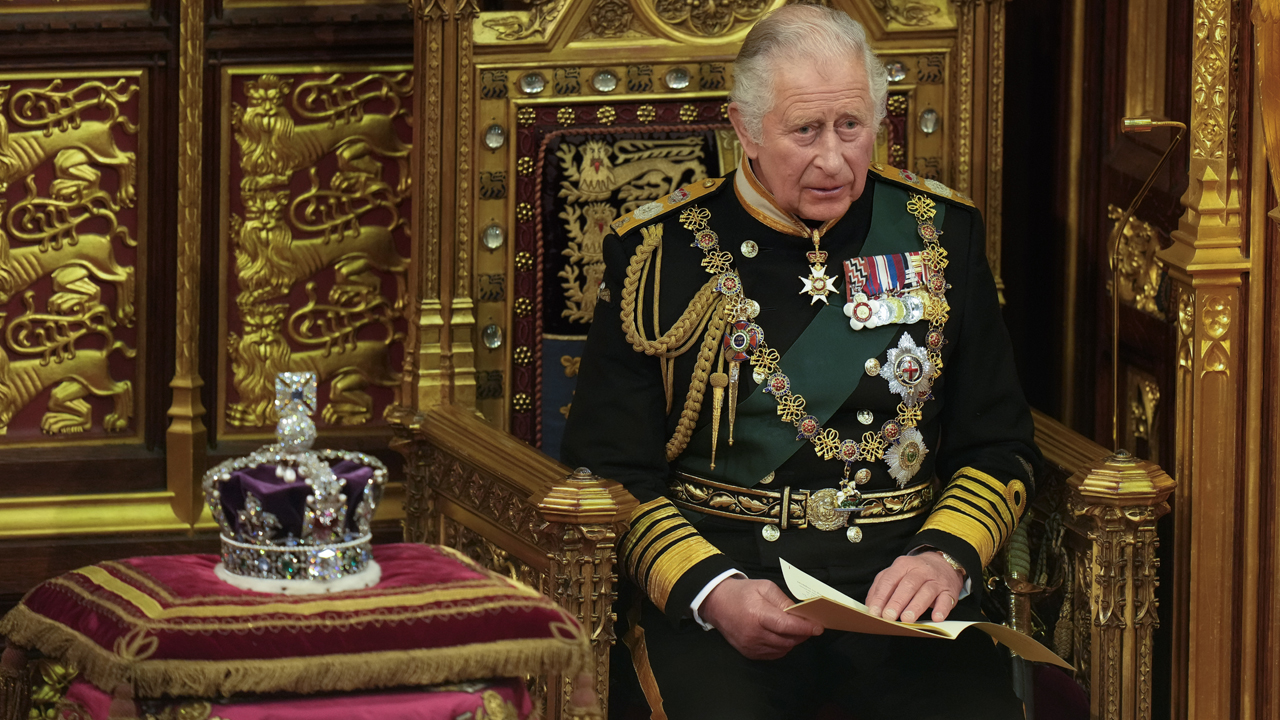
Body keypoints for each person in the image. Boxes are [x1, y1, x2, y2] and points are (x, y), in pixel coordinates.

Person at [562, 5, 1040, 719]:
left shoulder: (940, 235)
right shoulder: (658, 255)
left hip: (901, 599)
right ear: (745, 127)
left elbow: (998, 445)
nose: (833, 159)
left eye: (852, 126)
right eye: (805, 130)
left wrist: (944, 556)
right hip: (728, 595)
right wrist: (712, 592)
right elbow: (610, 472)